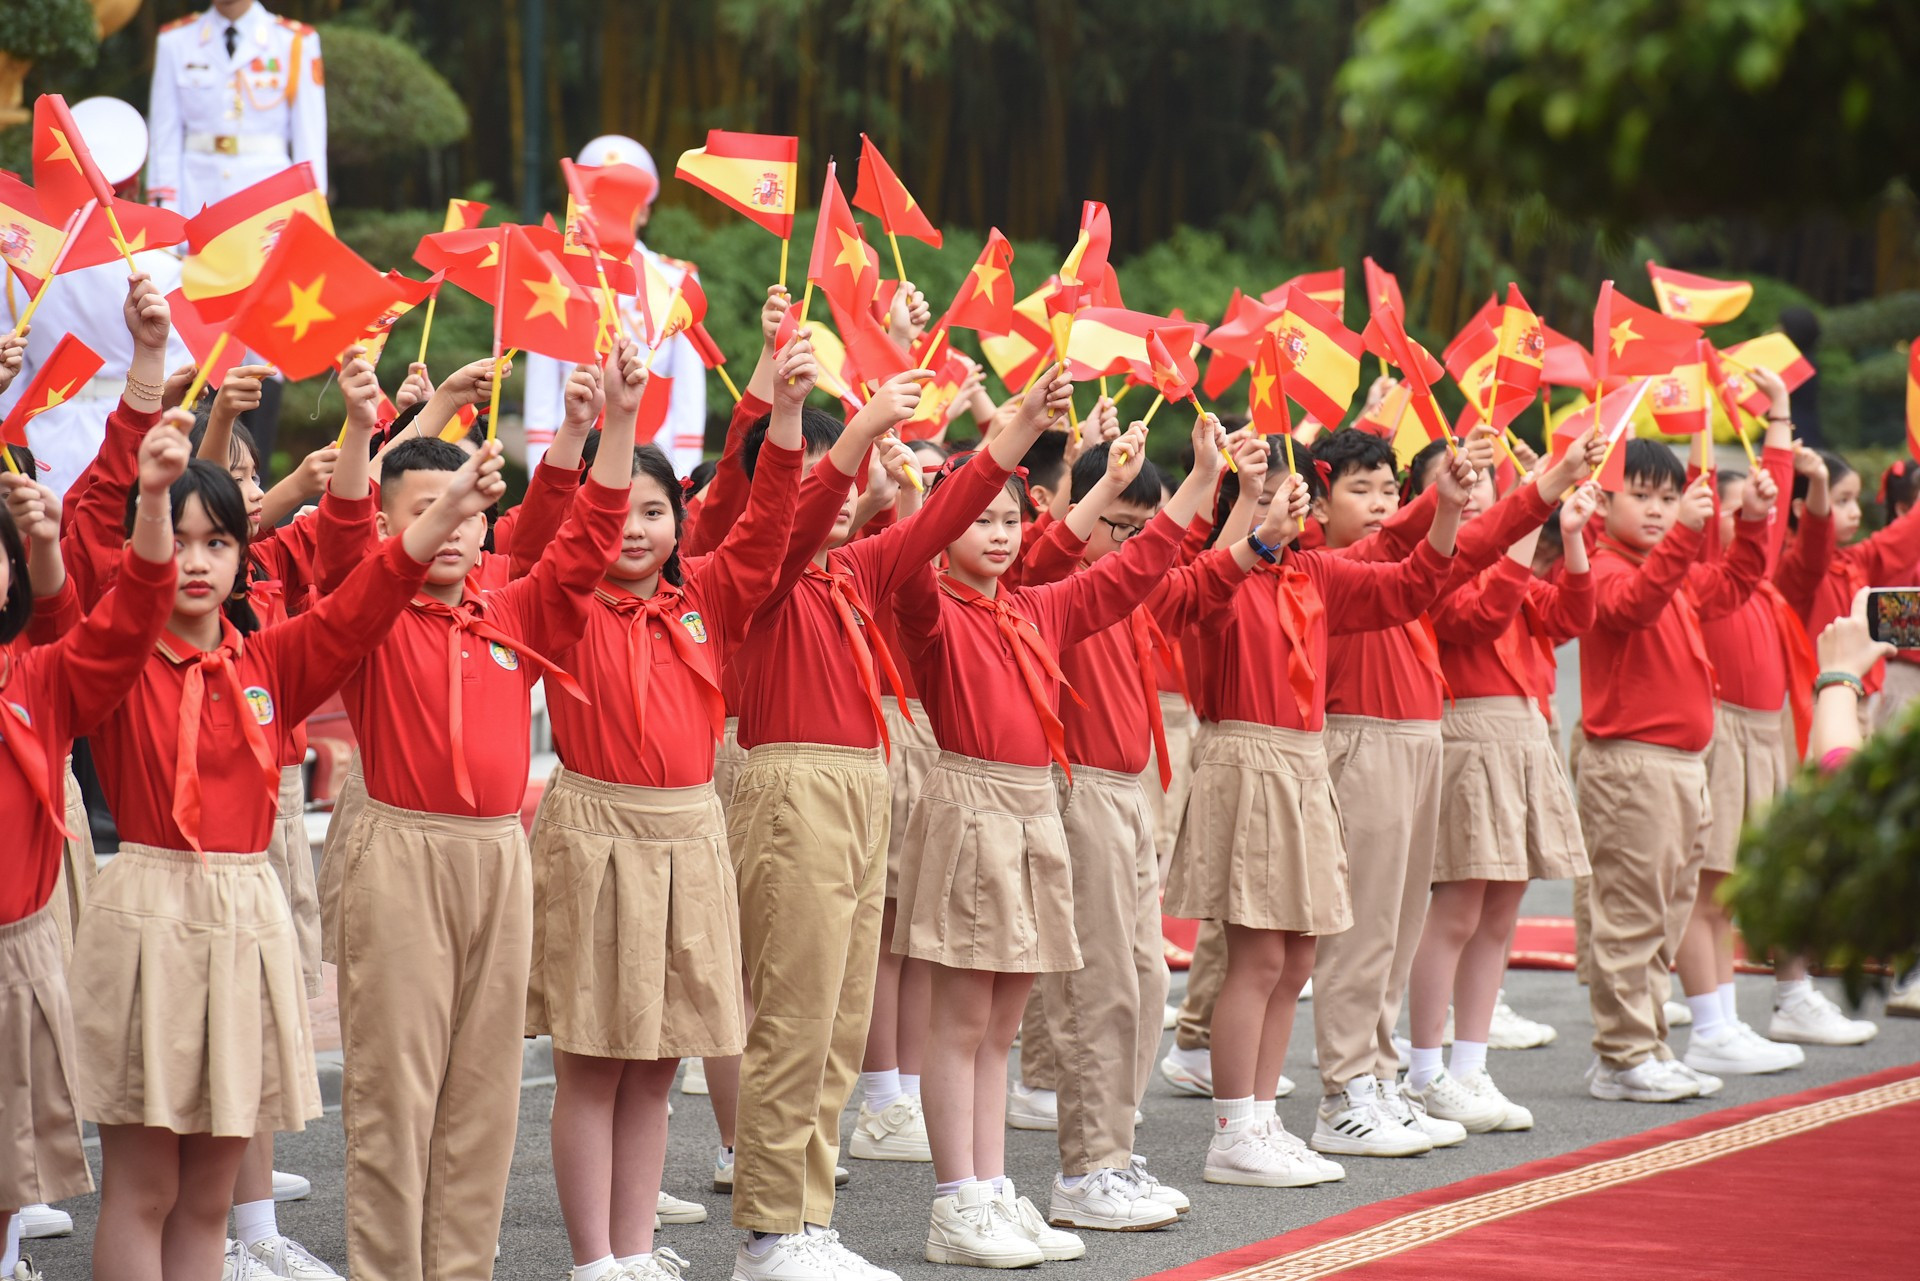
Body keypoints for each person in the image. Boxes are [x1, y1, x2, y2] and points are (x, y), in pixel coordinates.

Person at [717, 358, 1063, 1281]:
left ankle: (804, 1219)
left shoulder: (851, 572)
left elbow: (943, 519)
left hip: (860, 788)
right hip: (793, 788)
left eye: (845, 473)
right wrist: (846, 428)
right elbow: (773, 526)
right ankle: (769, 1233)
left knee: (838, 1020)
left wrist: (1019, 428)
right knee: (794, 1017)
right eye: (814, 474)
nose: (839, 491)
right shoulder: (763, 571)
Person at [316, 337, 639, 1281]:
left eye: (467, 510)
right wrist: (356, 426)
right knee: (396, 1096)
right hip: (402, 855)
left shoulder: (512, 604)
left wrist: (613, 422)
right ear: (391, 526)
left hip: (500, 856)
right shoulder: (367, 602)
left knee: (484, 1097)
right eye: (427, 512)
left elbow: (584, 542)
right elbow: (340, 530)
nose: (455, 530)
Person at [888, 412, 1225, 1268]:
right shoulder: (931, 607)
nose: (998, 536)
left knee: (1002, 1020)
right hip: (973, 805)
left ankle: (993, 1191)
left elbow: (1137, 567)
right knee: (962, 1017)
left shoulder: (1036, 605)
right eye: (980, 521)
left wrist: (1199, 480)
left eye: (1009, 520)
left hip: (1034, 808)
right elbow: (914, 547)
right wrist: (929, 488)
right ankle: (954, 1200)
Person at [521, 334, 814, 1281]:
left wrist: (792, 411)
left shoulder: (710, 596)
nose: (635, 528)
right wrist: (612, 422)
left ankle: (637, 1249)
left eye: (657, 510)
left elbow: (767, 518)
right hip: (596, 834)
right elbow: (552, 535)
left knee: (658, 1064)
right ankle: (592, 1257)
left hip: (689, 836)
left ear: (683, 525)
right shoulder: (562, 601)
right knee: (593, 1060)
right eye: (621, 512)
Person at [1161, 435, 1468, 1188]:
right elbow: (1193, 593)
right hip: (1249, 757)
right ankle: (1233, 1129)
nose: (1285, 507)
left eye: (1288, 492)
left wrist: (1450, 507)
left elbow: (1408, 585)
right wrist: (1249, 521)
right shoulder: (1218, 575)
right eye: (1265, 492)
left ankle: (1262, 1117)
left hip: (1303, 761)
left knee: (1296, 956)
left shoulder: (1310, 571)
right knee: (1259, 955)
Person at [1306, 424, 1587, 1157]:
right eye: (1356, 489)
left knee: (1396, 934)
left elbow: (1470, 546)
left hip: (1416, 738)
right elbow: (1428, 547)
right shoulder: (1324, 561)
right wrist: (1457, 499)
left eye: (1383, 490)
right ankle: (1343, 1095)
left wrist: (1533, 492)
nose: (1375, 504)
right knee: (1362, 933)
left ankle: (1380, 1077)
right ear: (1316, 497)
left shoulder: (1401, 563)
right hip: (1363, 741)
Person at [0, 417, 180, 1281]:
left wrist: (152, 500)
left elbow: (128, 621)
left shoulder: (37, 677)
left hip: (16, 954)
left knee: (7, 1173)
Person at [1405, 442, 1600, 1135]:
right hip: (1469, 736)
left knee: (1499, 912)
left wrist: (1570, 536)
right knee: (1457, 908)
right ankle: (1425, 1067)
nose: (1478, 487)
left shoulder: (1503, 558)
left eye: (1485, 475)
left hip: (1523, 734)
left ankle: (1468, 1062)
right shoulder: (1435, 568)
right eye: (1455, 478)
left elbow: (1573, 616)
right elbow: (1481, 615)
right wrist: (1523, 533)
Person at [1578, 439, 1777, 1103]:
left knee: (1665, 912)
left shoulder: (1667, 566)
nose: (1660, 510)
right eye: (1644, 495)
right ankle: (1623, 1053)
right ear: (1604, 500)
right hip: (1636, 762)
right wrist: (1690, 530)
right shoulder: (1606, 565)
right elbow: (1632, 603)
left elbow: (1733, 586)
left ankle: (1647, 1044)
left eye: (1669, 498)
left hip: (1681, 764)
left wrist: (1750, 522)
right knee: (1633, 913)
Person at [149, 0, 328, 475]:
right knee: (196, 345)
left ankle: (254, 481)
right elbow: (166, 136)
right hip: (197, 215)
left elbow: (311, 147)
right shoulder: (175, 40)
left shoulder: (295, 41)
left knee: (262, 351)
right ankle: (193, 478)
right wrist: (167, 227)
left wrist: (309, 230)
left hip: (267, 217)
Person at [0, 98, 192, 497]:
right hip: (127, 431)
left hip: (39, 432)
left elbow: (8, 369)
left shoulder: (22, 261)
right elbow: (178, 378)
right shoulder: (164, 266)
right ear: (135, 186)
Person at [523, 136, 706, 477]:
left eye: (625, 201)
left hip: (654, 459)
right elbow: (543, 385)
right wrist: (541, 473)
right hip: (573, 455)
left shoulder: (676, 280)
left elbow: (688, 389)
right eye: (602, 199)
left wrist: (685, 476)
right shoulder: (557, 278)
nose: (612, 211)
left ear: (646, 211)